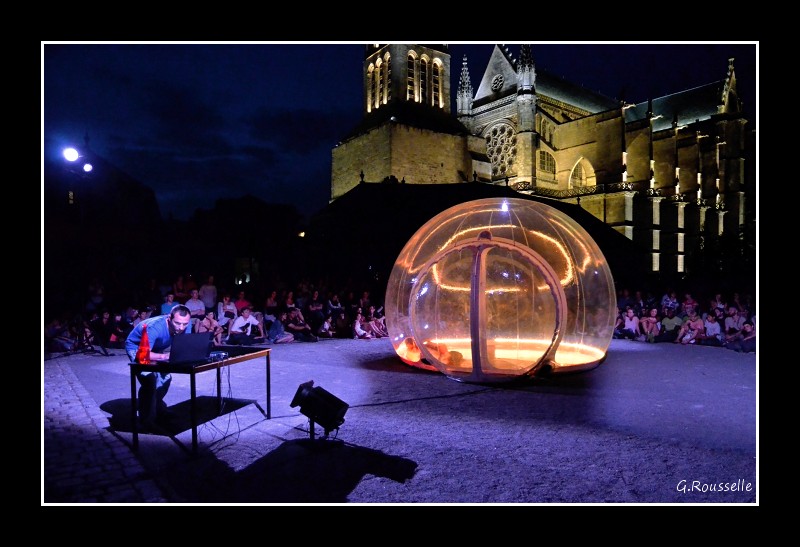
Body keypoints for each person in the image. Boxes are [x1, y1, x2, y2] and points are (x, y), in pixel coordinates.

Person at [125, 305, 192, 429]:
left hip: (156, 347)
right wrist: (165, 356)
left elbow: (184, 345)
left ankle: (156, 407)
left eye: (185, 324)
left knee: (165, 378)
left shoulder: (185, 324)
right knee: (149, 379)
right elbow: (143, 355)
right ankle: (146, 421)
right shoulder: (155, 327)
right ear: (169, 318)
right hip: (138, 348)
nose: (181, 328)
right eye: (177, 323)